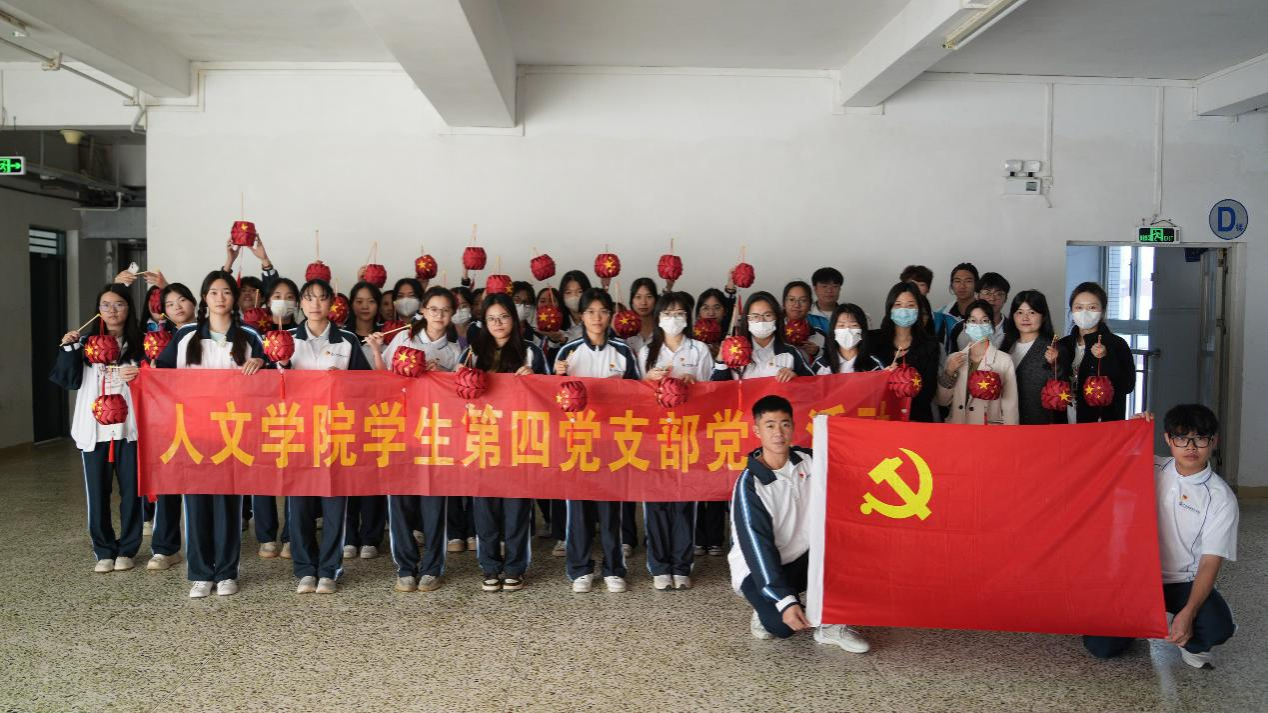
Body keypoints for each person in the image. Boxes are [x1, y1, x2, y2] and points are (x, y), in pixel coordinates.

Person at [1083, 405, 1237, 669]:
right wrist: (1131, 427)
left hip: (1182, 581)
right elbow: (1104, 457)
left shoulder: (1221, 498)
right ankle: (1146, 622)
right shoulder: (1151, 466)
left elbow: (1210, 562)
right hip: (1136, 577)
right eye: (1181, 438)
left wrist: (1189, 612)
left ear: (1214, 441)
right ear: (1168, 439)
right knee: (1101, 646)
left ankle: (1189, 640)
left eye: (1200, 439)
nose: (1191, 447)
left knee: (1217, 626)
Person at [155, 271, 266, 598]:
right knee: (197, 504)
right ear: (204, 298)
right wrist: (138, 375)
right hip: (193, 434)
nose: (220, 298)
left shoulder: (250, 336)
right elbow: (160, 375)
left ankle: (227, 572)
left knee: (229, 506)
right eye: (213, 292)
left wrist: (261, 362)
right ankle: (201, 573)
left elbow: (275, 377)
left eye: (226, 292)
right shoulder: (186, 335)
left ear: (235, 298)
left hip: (234, 434)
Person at [730, 395, 869, 652]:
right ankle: (765, 605)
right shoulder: (750, 485)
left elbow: (852, 466)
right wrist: (784, 600)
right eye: (770, 425)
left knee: (853, 550)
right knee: (781, 626)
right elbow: (758, 549)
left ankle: (831, 625)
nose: (778, 433)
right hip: (758, 568)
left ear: (793, 427)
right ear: (757, 431)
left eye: (785, 424)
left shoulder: (810, 460)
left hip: (805, 556)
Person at [277, 279, 372, 594]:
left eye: (321, 298)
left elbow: (365, 388)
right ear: (300, 304)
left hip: (336, 434)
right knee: (299, 506)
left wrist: (343, 383)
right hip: (297, 433)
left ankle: (330, 569)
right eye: (309, 298)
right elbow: (266, 390)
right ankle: (305, 569)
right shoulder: (285, 339)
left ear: (332, 302)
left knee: (334, 506)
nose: (315, 304)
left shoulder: (347, 340)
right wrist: (278, 365)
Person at [50, 284, 148, 574]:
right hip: (95, 431)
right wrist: (68, 348)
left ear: (129, 308)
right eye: (105, 305)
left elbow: (159, 382)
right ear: (98, 310)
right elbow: (68, 380)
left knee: (133, 493)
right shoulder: (85, 343)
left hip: (131, 431)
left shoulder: (141, 343)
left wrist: (141, 375)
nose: (112, 310)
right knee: (97, 494)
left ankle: (127, 550)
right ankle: (104, 550)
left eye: (119, 304)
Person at [459, 293, 549, 592]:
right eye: (491, 318)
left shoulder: (531, 352)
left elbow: (551, 393)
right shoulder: (472, 352)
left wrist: (534, 378)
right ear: (484, 322)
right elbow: (455, 393)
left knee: (516, 508)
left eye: (504, 317)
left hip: (519, 440)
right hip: (482, 439)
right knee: (484, 509)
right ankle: (489, 566)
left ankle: (514, 568)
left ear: (515, 318)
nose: (498, 323)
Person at [377, 287, 464, 593]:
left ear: (452, 315)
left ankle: (432, 568)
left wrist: (444, 375)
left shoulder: (455, 349)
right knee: (399, 501)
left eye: (445, 310)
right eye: (433, 309)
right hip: (401, 430)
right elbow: (381, 378)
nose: (439, 315)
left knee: (434, 504)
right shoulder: (404, 339)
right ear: (423, 311)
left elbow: (462, 393)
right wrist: (376, 350)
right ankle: (405, 567)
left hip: (437, 434)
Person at [555, 287, 640, 593]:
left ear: (611, 315)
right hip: (577, 441)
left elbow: (638, 395)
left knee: (610, 511)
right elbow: (552, 400)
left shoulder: (623, 351)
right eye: (590, 311)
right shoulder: (568, 352)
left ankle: (614, 568)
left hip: (613, 442)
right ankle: (580, 569)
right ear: (581, 315)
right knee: (578, 508)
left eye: (603, 311)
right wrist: (557, 376)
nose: (596, 317)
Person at [638, 292, 715, 590]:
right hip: (654, 437)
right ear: (658, 318)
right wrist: (648, 381)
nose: (674, 319)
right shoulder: (647, 351)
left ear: (688, 317)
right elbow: (634, 396)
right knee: (656, 502)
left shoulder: (699, 349)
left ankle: (682, 565)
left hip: (688, 436)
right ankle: (659, 566)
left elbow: (711, 394)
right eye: (667, 313)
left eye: (680, 313)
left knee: (684, 502)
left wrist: (695, 385)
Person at [1054, 282, 1136, 422]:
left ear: (1102, 311)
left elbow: (1127, 385)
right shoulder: (1063, 344)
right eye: (1078, 307)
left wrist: (1105, 359)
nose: (1084, 312)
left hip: (1101, 422)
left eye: (1092, 307)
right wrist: (1052, 363)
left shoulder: (1116, 344)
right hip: (1066, 420)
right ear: (1072, 311)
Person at [936, 300, 1019, 425]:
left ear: (992, 326)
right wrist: (949, 372)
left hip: (987, 430)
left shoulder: (1004, 361)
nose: (978, 325)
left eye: (984, 321)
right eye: (973, 321)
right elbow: (942, 401)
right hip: (957, 427)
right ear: (965, 326)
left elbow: (1010, 407)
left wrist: (1009, 434)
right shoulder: (954, 358)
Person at [870, 282, 940, 422]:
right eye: (898, 305)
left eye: (910, 305)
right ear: (889, 308)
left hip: (916, 421)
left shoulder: (930, 345)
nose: (904, 310)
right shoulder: (873, 340)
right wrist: (882, 377)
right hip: (879, 419)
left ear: (918, 309)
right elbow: (865, 383)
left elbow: (928, 392)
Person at [711, 292, 814, 383]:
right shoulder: (735, 350)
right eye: (755, 316)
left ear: (776, 318)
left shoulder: (790, 352)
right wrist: (721, 360)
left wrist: (796, 377)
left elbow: (812, 384)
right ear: (747, 320)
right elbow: (717, 389)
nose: (761, 321)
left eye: (767, 315)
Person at [1000, 290, 1061, 425]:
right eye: (1019, 312)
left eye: (1032, 312)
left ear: (1043, 316)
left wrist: (1057, 364)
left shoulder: (1054, 349)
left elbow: (1061, 389)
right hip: (1006, 422)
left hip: (1039, 425)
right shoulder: (1006, 347)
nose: (1025, 318)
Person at [812, 303, 883, 374]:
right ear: (833, 330)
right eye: (841, 325)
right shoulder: (821, 364)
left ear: (862, 330)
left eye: (854, 325)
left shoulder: (873, 366)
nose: (847, 330)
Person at [950, 272, 1009, 349]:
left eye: (998, 294)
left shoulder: (1012, 329)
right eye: (987, 293)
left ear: (1006, 298)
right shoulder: (959, 328)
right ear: (977, 296)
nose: (992, 298)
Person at [936, 263, 978, 352]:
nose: (962, 286)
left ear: (976, 284)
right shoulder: (941, 314)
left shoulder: (985, 314)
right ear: (952, 285)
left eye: (968, 281)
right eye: (957, 281)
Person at [782, 281, 824, 363]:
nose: (797, 305)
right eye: (791, 299)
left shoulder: (820, 335)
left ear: (810, 305)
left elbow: (831, 364)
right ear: (784, 303)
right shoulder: (773, 332)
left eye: (803, 300)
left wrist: (818, 352)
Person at [624, 277, 659, 356]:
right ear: (632, 301)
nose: (643, 302)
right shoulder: (624, 328)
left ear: (655, 300)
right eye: (638, 297)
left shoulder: (663, 327)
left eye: (649, 297)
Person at [807, 267, 842, 336]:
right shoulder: (805, 314)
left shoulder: (849, 315)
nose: (829, 291)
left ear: (840, 288)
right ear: (815, 289)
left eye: (834, 286)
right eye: (824, 286)